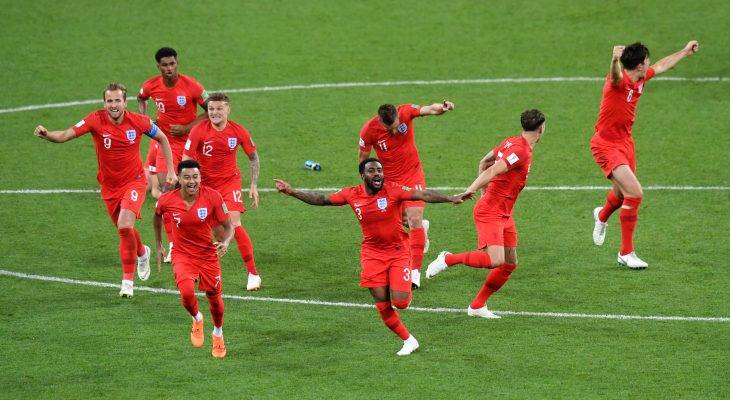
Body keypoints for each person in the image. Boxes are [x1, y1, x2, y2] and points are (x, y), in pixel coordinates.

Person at [275, 158, 470, 356]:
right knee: (381, 302)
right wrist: (292, 192)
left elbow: (423, 194)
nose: (378, 174)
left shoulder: (393, 189)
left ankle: (405, 266)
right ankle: (408, 340)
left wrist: (450, 198)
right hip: (372, 253)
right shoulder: (351, 194)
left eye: (379, 170)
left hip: (397, 251)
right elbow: (321, 200)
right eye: (372, 171)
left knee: (401, 302)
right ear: (363, 176)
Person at [34, 83, 177, 297]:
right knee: (125, 230)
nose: (113, 105)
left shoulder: (138, 122)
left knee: (124, 224)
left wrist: (172, 170)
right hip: (109, 187)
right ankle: (142, 252)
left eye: (117, 100)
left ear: (124, 102)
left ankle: (127, 283)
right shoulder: (95, 119)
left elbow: (163, 138)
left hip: (135, 182)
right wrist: (46, 135)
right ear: (104, 103)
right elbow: (65, 135)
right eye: (109, 101)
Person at [426, 109, 546, 319]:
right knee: (495, 260)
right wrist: (470, 190)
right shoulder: (522, 151)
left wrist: (485, 192)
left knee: (509, 263)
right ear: (542, 129)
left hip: (503, 214)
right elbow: (492, 169)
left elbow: (484, 162)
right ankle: (448, 259)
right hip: (490, 212)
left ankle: (477, 306)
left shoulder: (511, 141)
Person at [590, 41, 699, 269]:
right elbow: (615, 76)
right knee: (635, 193)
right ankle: (625, 253)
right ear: (639, 65)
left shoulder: (641, 77)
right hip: (606, 145)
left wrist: (684, 51)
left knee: (621, 195)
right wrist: (613, 60)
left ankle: (601, 216)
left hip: (626, 143)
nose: (650, 63)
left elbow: (661, 66)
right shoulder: (617, 83)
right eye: (647, 60)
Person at [358, 101, 455, 289]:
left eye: (396, 127)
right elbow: (363, 159)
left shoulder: (405, 112)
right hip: (389, 182)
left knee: (414, 218)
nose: (395, 132)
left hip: (412, 174)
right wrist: (369, 183)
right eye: (390, 129)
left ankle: (414, 273)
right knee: (400, 221)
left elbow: (428, 109)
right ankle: (422, 234)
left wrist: (442, 108)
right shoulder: (369, 130)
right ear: (381, 122)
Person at [182, 92, 262, 291]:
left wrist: (253, 184)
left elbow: (253, 158)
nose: (214, 113)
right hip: (206, 187)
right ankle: (205, 272)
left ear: (228, 109)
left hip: (229, 183)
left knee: (234, 223)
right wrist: (188, 184)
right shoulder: (199, 131)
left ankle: (253, 273)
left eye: (219, 108)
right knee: (218, 235)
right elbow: (186, 159)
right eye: (211, 109)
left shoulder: (238, 131)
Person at [154, 159, 234, 358]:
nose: (192, 181)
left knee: (215, 299)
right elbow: (156, 217)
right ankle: (197, 319)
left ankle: (218, 334)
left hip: (207, 255)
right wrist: (159, 244)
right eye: (187, 177)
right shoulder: (167, 200)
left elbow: (229, 226)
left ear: (201, 178)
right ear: (179, 178)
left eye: (195, 177)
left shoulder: (213, 197)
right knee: (187, 293)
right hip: (182, 254)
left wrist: (226, 242)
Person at [138, 46, 209, 262]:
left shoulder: (192, 86)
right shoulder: (150, 86)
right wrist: (146, 121)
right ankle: (173, 244)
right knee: (168, 190)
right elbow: (141, 98)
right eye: (165, 65)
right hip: (166, 143)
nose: (169, 68)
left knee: (192, 192)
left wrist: (188, 127)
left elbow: (209, 111)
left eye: (172, 64)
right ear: (158, 66)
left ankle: (196, 238)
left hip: (190, 143)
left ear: (177, 63)